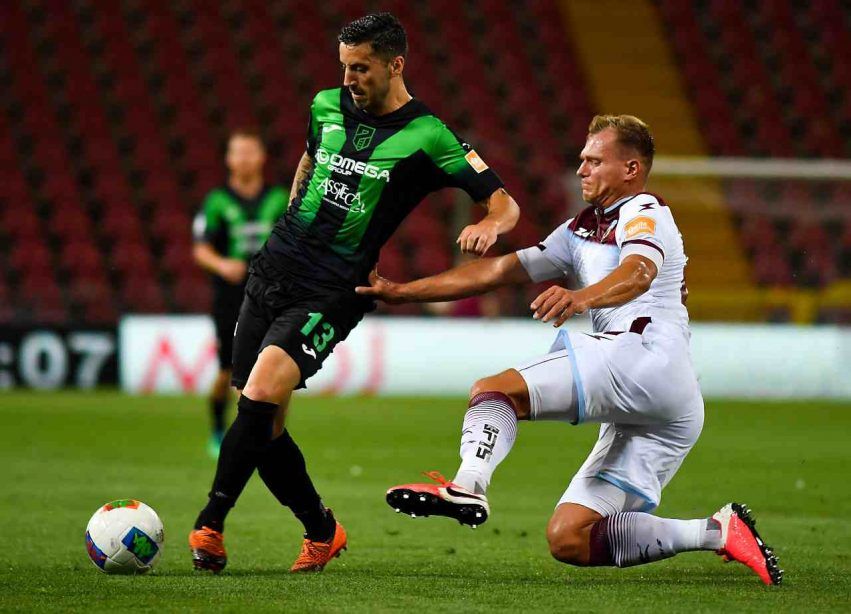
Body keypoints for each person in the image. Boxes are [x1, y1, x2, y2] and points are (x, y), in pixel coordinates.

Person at [357, 115, 783, 585]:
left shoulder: (645, 211)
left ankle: (469, 485)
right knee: (571, 538)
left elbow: (639, 272)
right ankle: (717, 532)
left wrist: (581, 298)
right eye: (582, 159)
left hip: (644, 355)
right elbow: (500, 271)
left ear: (631, 169)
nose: (581, 169)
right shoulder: (581, 229)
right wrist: (402, 292)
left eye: (595, 160)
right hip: (668, 405)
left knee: (496, 391)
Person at [188, 13, 520, 573]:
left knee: (259, 394)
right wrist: (294, 212)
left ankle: (210, 524)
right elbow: (310, 158)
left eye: (361, 67)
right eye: (344, 66)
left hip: (334, 287)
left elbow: (505, 203)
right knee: (262, 423)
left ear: (396, 65)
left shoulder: (429, 135)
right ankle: (322, 529)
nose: (348, 78)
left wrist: (490, 224)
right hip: (273, 270)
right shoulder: (324, 105)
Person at [192, 130, 288, 458]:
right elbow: (200, 249)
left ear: (262, 157)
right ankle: (219, 429)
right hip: (231, 297)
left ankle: (265, 436)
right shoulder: (217, 201)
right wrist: (222, 264)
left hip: (272, 295)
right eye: (238, 152)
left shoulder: (279, 198)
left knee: (272, 370)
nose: (244, 158)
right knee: (228, 371)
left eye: (250, 151)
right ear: (228, 159)